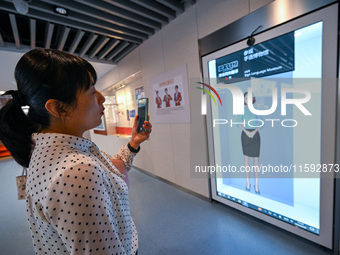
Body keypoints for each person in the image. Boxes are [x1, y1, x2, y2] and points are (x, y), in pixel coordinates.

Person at [0, 49, 152, 255]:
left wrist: (134, 142)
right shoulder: (76, 170)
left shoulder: (57, 151)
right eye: (91, 90)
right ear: (59, 108)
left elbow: (110, 167)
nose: (101, 98)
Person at [239, 92, 261, 194]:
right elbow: (238, 124)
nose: (248, 99)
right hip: (245, 135)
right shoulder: (242, 110)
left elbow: (261, 123)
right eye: (246, 98)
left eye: (249, 97)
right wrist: (247, 132)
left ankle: (256, 185)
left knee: (256, 160)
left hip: (255, 135)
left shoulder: (256, 110)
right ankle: (248, 183)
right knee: (246, 159)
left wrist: (254, 132)